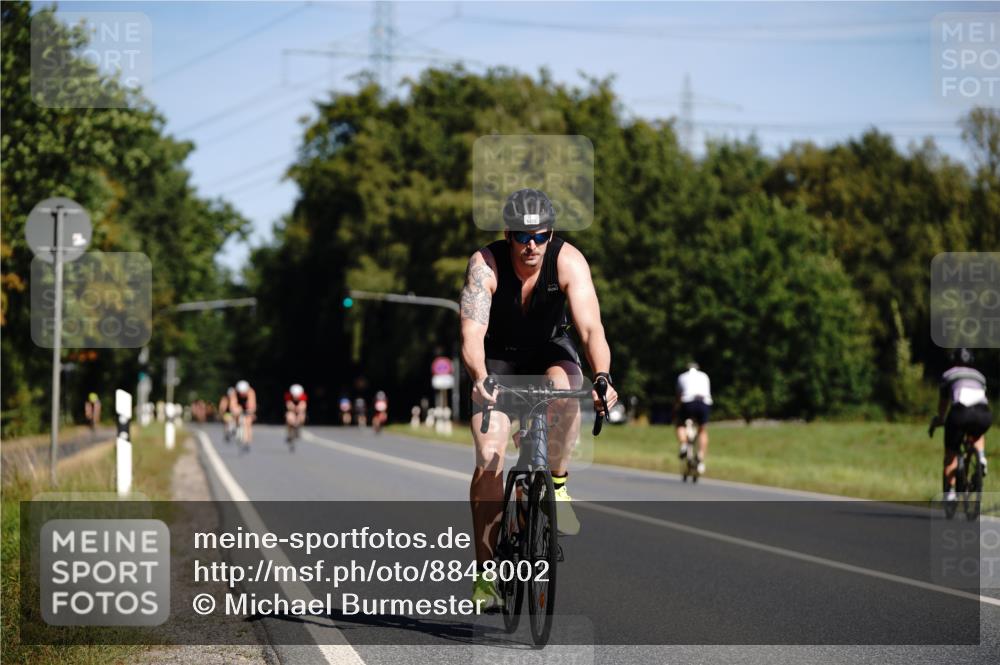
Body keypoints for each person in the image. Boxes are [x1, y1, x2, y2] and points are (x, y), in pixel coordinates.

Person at [460, 188, 618, 611]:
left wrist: (602, 377)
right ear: (508, 234)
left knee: (568, 391)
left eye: (541, 236)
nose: (531, 246)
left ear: (551, 234)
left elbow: (590, 329)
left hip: (550, 350)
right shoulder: (485, 265)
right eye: (522, 236)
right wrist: (480, 379)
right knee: (489, 457)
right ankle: (486, 575)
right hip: (497, 358)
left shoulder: (568, 260)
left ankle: (559, 485)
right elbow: (471, 334)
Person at [930, 348, 991, 503]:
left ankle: (950, 493)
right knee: (977, 431)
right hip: (984, 414)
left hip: (960, 413)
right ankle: (981, 458)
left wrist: (940, 418)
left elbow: (943, 403)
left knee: (951, 452)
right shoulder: (980, 376)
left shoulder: (949, 374)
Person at [674, 362, 713, 475]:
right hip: (703, 403)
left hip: (688, 402)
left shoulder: (682, 376)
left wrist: (676, 409)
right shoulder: (704, 376)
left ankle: (683, 445)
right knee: (702, 430)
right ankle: (700, 456)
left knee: (680, 424)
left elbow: (679, 396)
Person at [231, 380, 257, 447]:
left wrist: (251, 412)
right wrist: (235, 411)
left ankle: (248, 440)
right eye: (241, 393)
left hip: (247, 406)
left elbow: (252, 404)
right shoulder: (234, 393)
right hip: (239, 405)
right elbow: (233, 404)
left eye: (244, 393)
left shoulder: (251, 392)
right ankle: (236, 426)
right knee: (236, 412)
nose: (242, 394)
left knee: (248, 421)